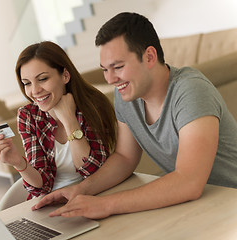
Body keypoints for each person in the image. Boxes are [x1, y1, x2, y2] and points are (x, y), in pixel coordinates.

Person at [32, 12, 237, 219]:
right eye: (105, 69)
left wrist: (105, 204)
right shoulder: (127, 95)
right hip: (202, 207)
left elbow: (189, 182)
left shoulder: (191, 90)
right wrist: (81, 190)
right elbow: (125, 157)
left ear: (149, 56)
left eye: (118, 67)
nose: (111, 79)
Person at [0, 41, 117, 199]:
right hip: (50, 200)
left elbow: (92, 170)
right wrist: (18, 162)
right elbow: (41, 186)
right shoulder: (28, 116)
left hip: (94, 195)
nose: (35, 91)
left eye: (43, 79)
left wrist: (69, 120)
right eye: (27, 83)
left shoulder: (93, 106)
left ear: (65, 75)